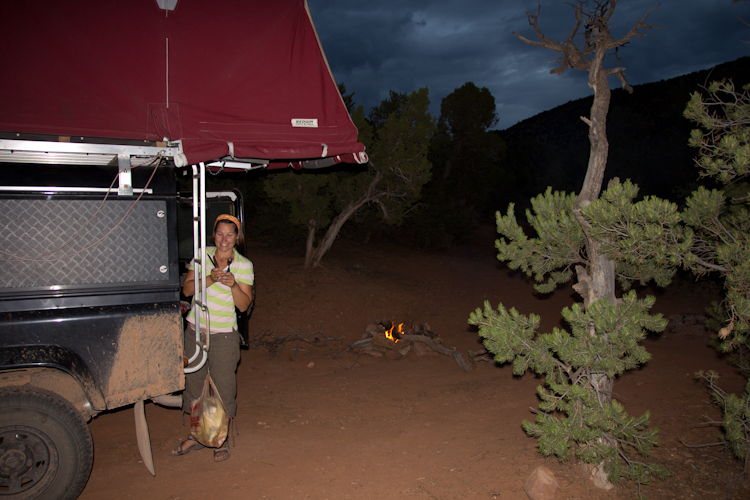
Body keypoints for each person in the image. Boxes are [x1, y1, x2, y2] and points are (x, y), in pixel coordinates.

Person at [170, 213, 253, 462]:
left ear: (237, 237)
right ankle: (196, 436)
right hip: (195, 331)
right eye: (220, 233)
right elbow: (186, 290)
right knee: (194, 384)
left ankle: (220, 438)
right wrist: (209, 278)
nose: (224, 239)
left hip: (224, 336)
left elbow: (243, 306)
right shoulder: (201, 256)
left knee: (223, 388)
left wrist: (233, 285)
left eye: (230, 234)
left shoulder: (244, 265)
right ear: (213, 235)